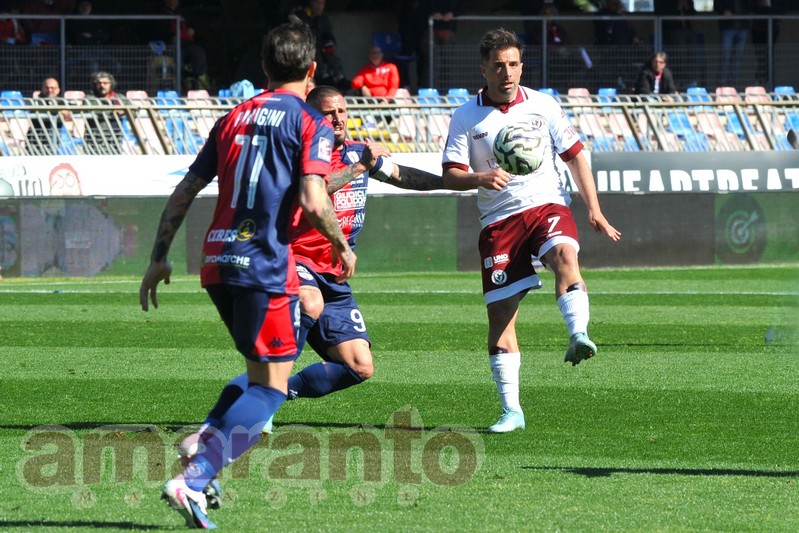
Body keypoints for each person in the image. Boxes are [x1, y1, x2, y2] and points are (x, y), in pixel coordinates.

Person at [175, 85, 447, 503]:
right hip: (294, 259)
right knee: (308, 303)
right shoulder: (303, 153)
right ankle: (252, 406)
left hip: (334, 274)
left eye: (342, 111)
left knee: (359, 366)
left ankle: (272, 393)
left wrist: (459, 183)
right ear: (312, 116)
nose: (337, 119)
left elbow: (402, 176)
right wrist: (359, 167)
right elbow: (311, 195)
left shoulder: (357, 151)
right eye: (328, 112)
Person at [140, 19, 356, 529]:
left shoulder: (232, 118)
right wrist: (341, 243)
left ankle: (205, 442)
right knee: (271, 390)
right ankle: (194, 477)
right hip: (263, 264)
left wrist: (158, 256)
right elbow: (313, 198)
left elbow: (185, 190)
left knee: (259, 375)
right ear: (312, 69)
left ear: (263, 66)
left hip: (216, 261)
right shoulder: (310, 121)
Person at [441, 28, 621, 433]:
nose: (507, 73)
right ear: (484, 69)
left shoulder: (543, 105)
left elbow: (576, 157)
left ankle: (578, 334)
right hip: (499, 221)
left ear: (522, 66)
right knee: (501, 315)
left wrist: (594, 209)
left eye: (513, 65)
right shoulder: (466, 116)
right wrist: (480, 178)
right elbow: (451, 174)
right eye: (498, 66)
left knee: (565, 255)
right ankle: (512, 411)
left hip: (546, 204)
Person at [157, 0, 209, 90]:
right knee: (178, 54)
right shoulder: (161, 13)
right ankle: (180, 80)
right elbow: (157, 32)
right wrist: (170, 37)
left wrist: (193, 31)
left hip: (187, 43)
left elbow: (197, 26)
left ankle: (197, 79)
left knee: (198, 52)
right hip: (171, 45)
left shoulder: (184, 12)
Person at [26, 77, 71, 155]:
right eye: (47, 88)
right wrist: (59, 111)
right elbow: (39, 110)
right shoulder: (36, 101)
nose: (49, 90)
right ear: (42, 89)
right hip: (36, 140)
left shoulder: (61, 102)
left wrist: (67, 111)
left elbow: (72, 110)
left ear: (58, 90)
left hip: (54, 140)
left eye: (52, 88)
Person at [83, 71, 124, 155]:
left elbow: (133, 109)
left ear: (111, 84)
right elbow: (94, 109)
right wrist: (113, 109)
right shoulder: (90, 98)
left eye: (105, 83)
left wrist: (124, 110)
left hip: (115, 140)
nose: (102, 85)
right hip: (95, 141)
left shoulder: (118, 98)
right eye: (99, 83)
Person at [715, 0, 749, 88]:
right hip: (728, 27)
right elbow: (717, 6)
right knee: (725, 56)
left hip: (742, 27)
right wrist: (724, 11)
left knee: (737, 58)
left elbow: (751, 5)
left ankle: (733, 84)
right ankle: (722, 84)